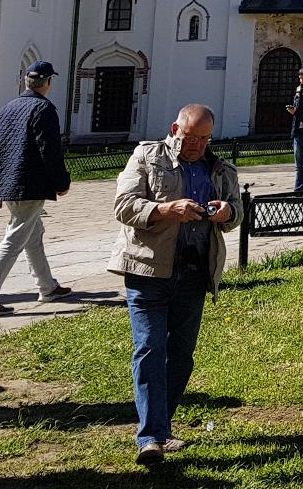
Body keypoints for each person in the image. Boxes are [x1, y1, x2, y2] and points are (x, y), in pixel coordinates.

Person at [109, 103, 239, 465]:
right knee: (150, 348)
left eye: (205, 138)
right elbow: (123, 205)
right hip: (148, 271)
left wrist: (228, 213)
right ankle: (150, 438)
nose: (197, 145)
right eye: (191, 136)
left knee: (181, 356)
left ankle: (161, 428)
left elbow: (237, 211)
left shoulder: (219, 168)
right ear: (175, 128)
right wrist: (167, 210)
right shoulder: (148, 157)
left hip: (195, 275)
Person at [0, 61, 72, 317]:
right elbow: (49, 150)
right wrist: (61, 183)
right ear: (49, 82)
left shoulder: (8, 108)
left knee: (33, 234)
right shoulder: (44, 108)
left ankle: (47, 287)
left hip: (10, 183)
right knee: (15, 237)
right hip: (29, 184)